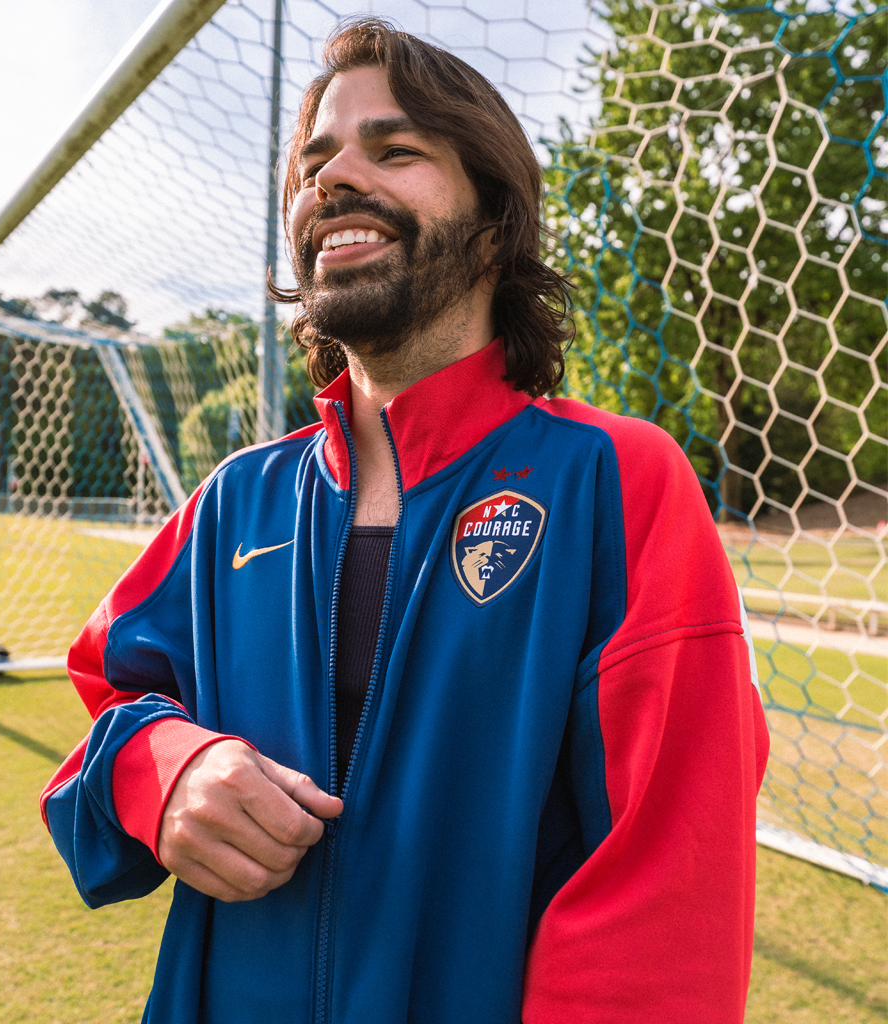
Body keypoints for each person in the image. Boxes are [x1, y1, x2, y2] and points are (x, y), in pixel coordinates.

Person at [41, 17, 769, 1023]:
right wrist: (166, 768)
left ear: (492, 221)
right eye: (314, 161)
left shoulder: (613, 478)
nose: (333, 179)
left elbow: (667, 880)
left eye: (395, 150)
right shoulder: (233, 502)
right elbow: (110, 700)